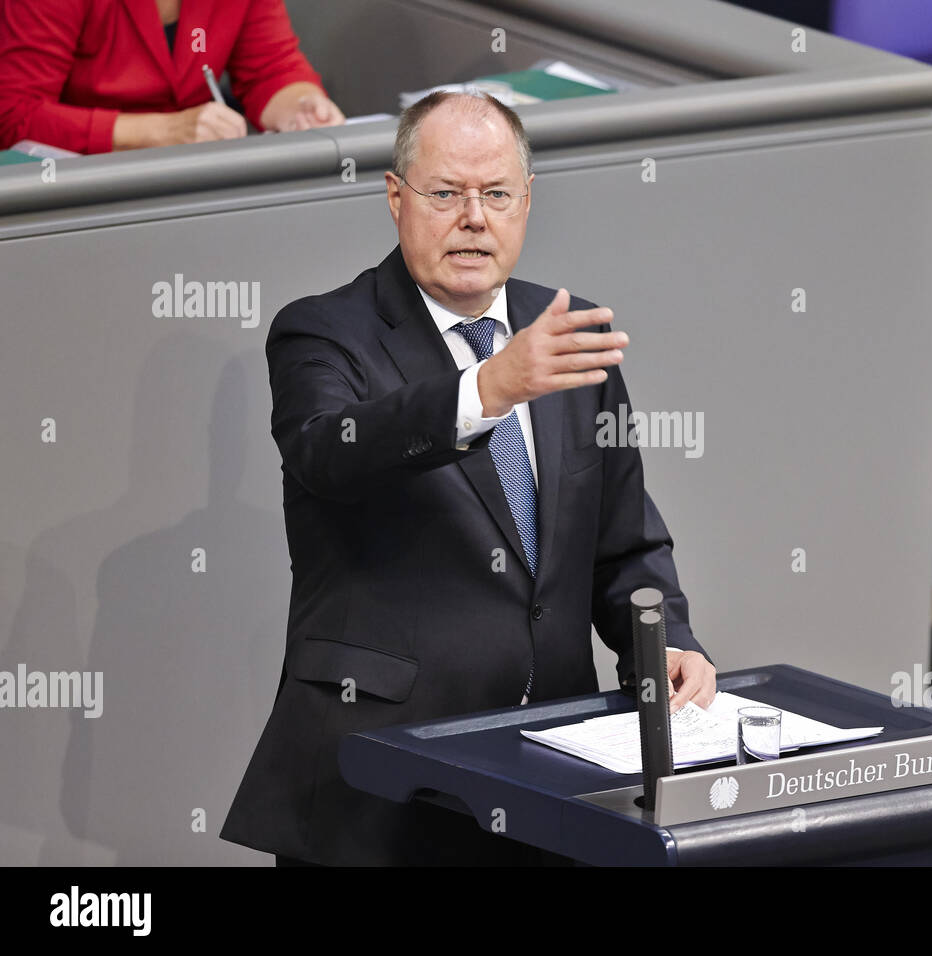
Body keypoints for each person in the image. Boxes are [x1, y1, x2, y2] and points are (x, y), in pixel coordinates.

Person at [220, 90, 717, 866]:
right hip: (381, 781)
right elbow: (331, 454)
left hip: (550, 773)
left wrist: (669, 644)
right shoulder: (324, 331)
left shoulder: (566, 335)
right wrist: (489, 388)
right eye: (446, 193)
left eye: (496, 194)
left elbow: (623, 543)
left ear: (527, 203)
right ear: (395, 198)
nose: (473, 217)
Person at [0, 0, 343, 154]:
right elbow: (13, 114)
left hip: (188, 182)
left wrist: (302, 106)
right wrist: (163, 131)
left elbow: (271, 68)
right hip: (73, 191)